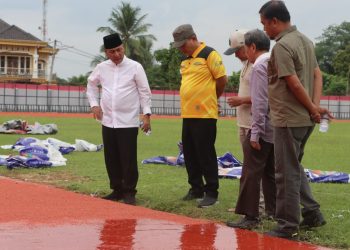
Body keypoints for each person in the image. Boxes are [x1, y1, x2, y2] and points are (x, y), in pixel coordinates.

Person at [259, 1, 330, 239]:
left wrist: (312, 107)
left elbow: (293, 82)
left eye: (264, 24)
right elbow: (317, 75)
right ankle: (312, 212)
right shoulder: (305, 41)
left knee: (285, 173)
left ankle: (287, 224)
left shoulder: (282, 47)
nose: (265, 31)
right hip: (304, 119)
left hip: (289, 118)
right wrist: (314, 107)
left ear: (275, 22)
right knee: (294, 167)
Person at [86, 33, 152, 206]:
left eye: (119, 50)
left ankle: (129, 192)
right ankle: (116, 190)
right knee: (111, 157)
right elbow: (91, 84)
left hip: (128, 120)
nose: (116, 54)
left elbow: (145, 92)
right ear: (106, 52)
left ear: (123, 48)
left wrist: (146, 115)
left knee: (128, 158)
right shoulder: (101, 67)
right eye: (112, 51)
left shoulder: (135, 67)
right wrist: (94, 104)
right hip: (108, 120)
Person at [172, 24, 228, 208]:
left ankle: (212, 192)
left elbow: (221, 80)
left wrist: (213, 98)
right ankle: (196, 188)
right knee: (189, 153)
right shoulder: (185, 61)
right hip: (187, 114)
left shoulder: (209, 54)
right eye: (178, 45)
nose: (181, 48)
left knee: (205, 154)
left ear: (193, 38)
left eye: (183, 44)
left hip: (205, 114)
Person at [226, 29, 276, 230]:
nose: (242, 54)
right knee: (271, 173)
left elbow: (262, 101)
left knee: (251, 172)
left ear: (252, 47)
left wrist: (255, 132)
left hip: (261, 126)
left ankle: (251, 216)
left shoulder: (259, 65)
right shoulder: (272, 60)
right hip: (274, 126)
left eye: (244, 49)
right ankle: (273, 212)